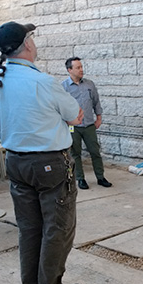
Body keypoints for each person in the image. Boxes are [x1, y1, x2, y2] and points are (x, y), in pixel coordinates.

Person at [0, 21, 84, 284]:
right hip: (50, 164)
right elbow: (76, 116)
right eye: (32, 37)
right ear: (27, 44)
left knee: (29, 228)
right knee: (58, 227)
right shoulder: (43, 82)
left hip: (16, 162)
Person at [62, 57, 112, 190]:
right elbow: (61, 107)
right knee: (75, 153)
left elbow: (96, 101)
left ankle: (100, 177)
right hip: (73, 127)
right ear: (69, 70)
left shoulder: (89, 84)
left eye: (81, 67)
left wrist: (99, 117)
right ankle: (80, 179)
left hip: (89, 124)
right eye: (77, 67)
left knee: (95, 151)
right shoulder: (64, 87)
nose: (81, 70)